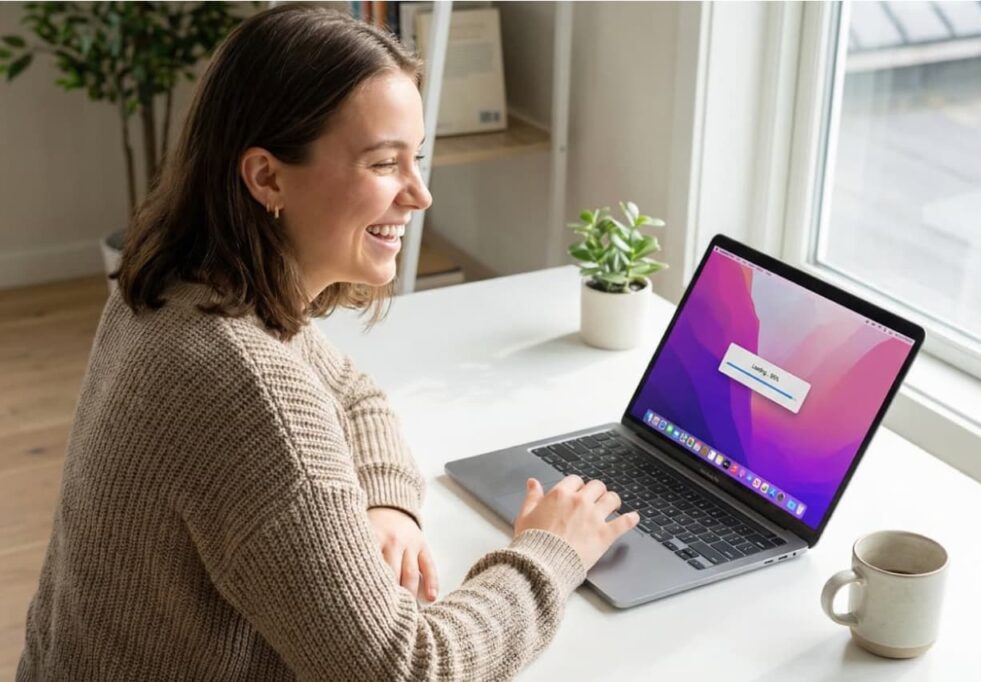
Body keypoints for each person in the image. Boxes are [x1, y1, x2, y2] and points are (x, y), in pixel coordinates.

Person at [17, 4, 639, 681]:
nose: (421, 195)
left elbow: (350, 391)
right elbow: (406, 670)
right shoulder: (238, 380)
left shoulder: (178, 286)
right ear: (267, 177)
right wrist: (550, 552)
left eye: (417, 159)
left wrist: (387, 503)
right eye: (383, 164)